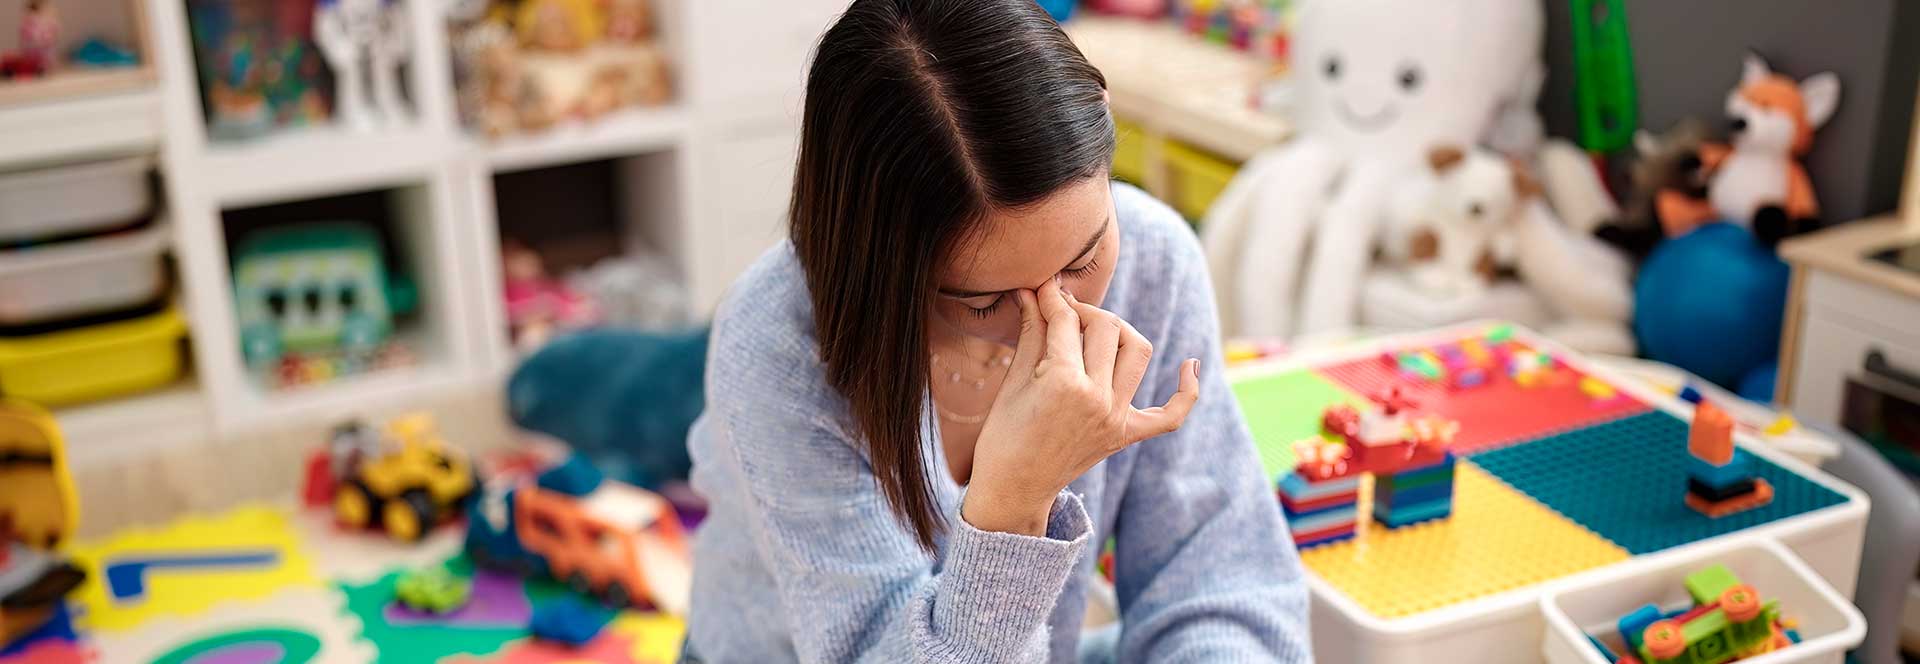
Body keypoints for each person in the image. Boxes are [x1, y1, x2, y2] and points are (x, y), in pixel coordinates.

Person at [683, 0, 1310, 661]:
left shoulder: (1154, 259)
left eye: (1083, 259)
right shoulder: (779, 344)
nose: (1056, 322)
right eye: (983, 303)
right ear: (883, 259)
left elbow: (1220, 586)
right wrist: (1016, 501)